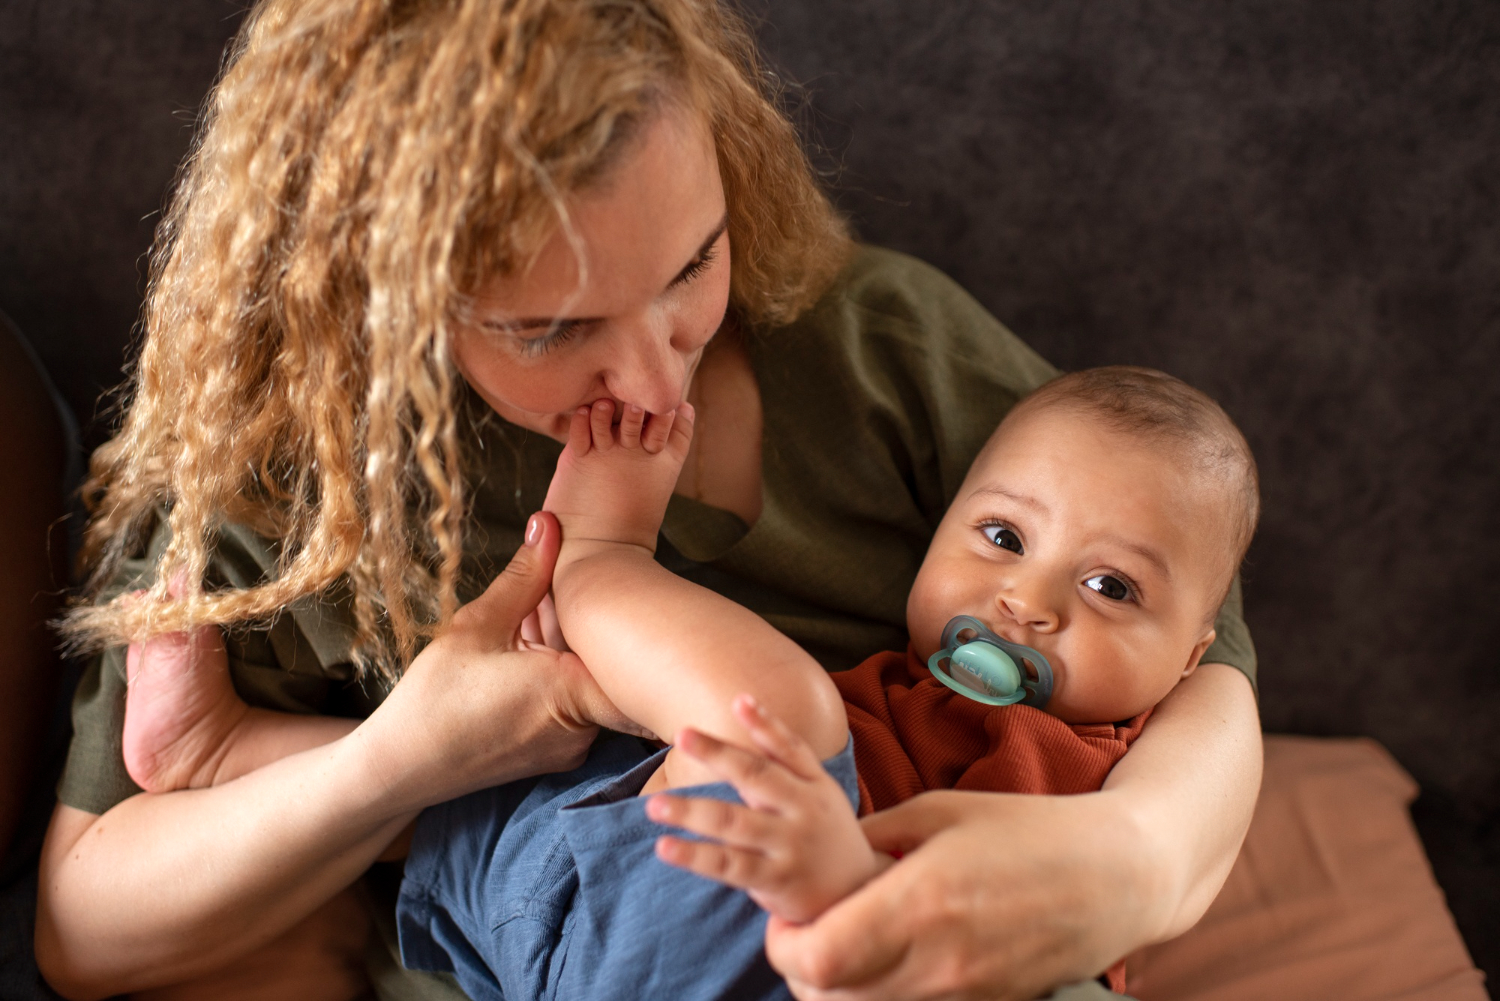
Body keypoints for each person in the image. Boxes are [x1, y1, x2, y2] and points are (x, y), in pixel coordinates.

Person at [34, 1, 1263, 999]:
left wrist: (1132, 861)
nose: (654, 368)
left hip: (896, 904)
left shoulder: (872, 342)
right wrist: (403, 759)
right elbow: (87, 927)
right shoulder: (284, 485)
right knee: (773, 725)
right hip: (615, 920)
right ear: (372, 291)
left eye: (691, 265)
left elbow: (1198, 643)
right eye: (553, 326)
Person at [117, 365, 1258, 1000]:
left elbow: (976, 917)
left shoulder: (1108, 761)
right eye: (1002, 537)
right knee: (500, 796)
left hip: (770, 963)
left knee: (781, 716)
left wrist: (835, 870)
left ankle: (603, 556)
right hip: (590, 896)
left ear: (1195, 648)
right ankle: (220, 756)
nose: (1029, 602)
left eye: (1111, 585)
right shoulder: (898, 681)